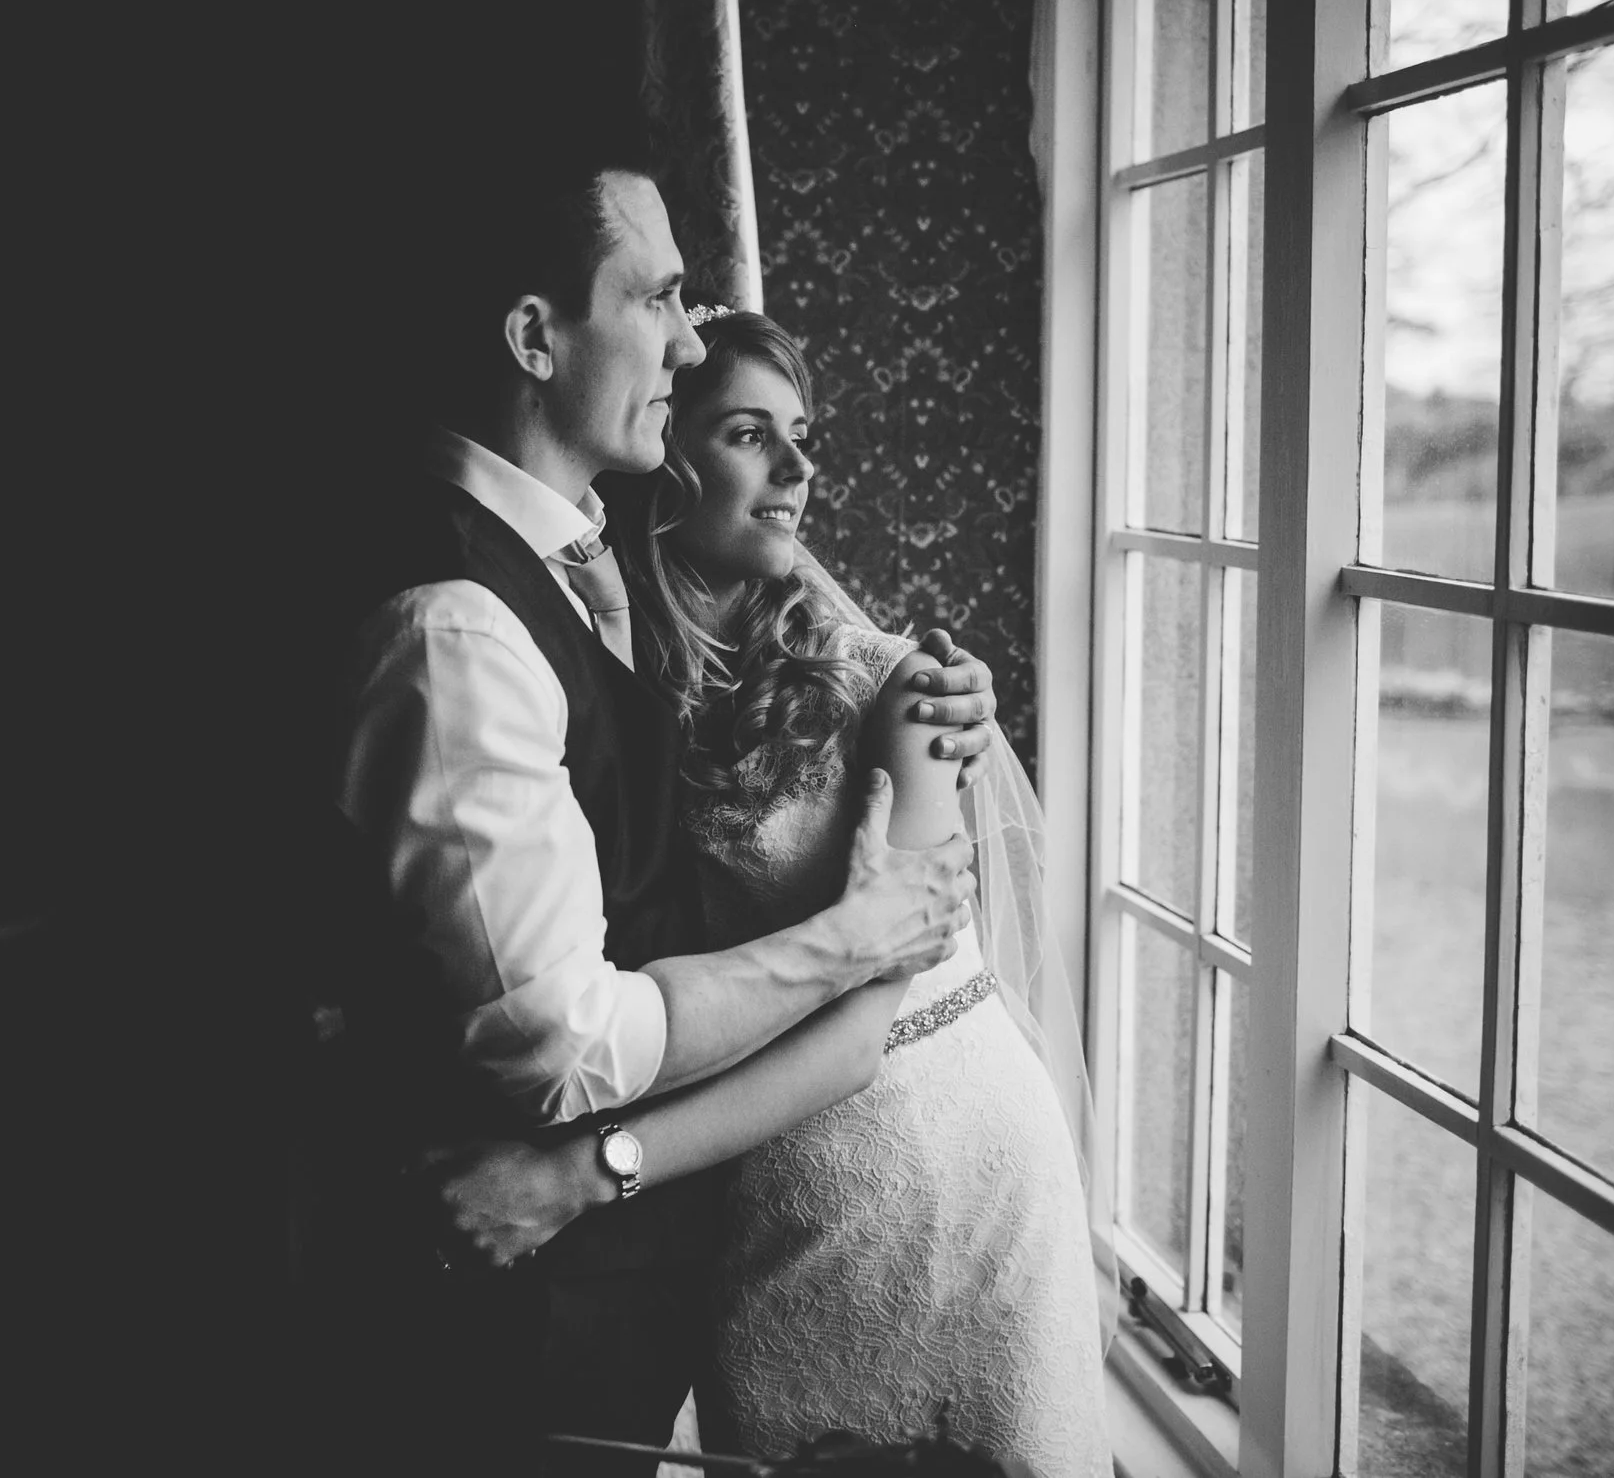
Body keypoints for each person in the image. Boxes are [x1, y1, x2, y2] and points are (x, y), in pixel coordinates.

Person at [312, 138, 1009, 1476]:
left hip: (798, 1213)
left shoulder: (573, 569)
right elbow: (566, 1042)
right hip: (520, 1299)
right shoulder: (460, 625)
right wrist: (856, 935)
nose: (688, 344)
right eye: (657, 298)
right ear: (534, 334)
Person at [415, 309, 1114, 1475]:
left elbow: (853, 1041)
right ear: (663, 452)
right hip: (759, 1197)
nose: (797, 470)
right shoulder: (594, 664)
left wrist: (577, 1175)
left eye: (803, 436)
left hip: (935, 1165)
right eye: (750, 433)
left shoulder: (902, 689)